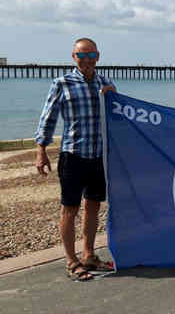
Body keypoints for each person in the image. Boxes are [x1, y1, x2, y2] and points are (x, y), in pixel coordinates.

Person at [35, 37, 117, 281]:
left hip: (98, 156)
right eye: (82, 56)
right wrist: (41, 150)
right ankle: (72, 261)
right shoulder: (62, 83)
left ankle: (89, 255)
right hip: (73, 155)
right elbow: (47, 118)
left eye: (91, 56)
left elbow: (117, 117)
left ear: (98, 57)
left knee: (93, 206)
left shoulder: (105, 83)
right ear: (74, 57)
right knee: (69, 208)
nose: (87, 60)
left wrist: (113, 96)